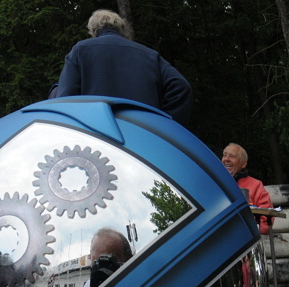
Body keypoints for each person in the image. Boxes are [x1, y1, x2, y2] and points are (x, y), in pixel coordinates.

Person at [54, 9, 193, 127]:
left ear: (92, 30)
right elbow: (181, 86)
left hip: (97, 131)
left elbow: (65, 98)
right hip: (143, 131)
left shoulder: (80, 50)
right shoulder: (150, 55)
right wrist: (166, 125)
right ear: (120, 28)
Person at [221, 143, 273, 235]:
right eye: (225, 155)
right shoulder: (215, 182)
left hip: (247, 236)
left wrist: (255, 231)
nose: (226, 159)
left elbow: (267, 214)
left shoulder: (256, 185)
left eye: (232, 156)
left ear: (243, 164)